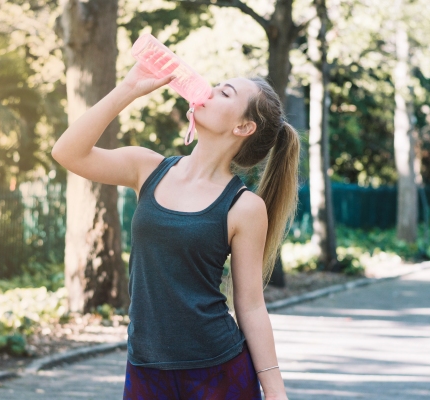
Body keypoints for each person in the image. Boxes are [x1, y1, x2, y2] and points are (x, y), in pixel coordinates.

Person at [51, 61, 299, 400]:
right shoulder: (147, 168)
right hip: (146, 368)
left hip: (218, 371)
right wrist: (128, 89)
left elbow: (251, 305)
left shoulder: (244, 207)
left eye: (225, 92)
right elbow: (67, 152)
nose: (208, 91)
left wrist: (275, 391)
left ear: (243, 127)